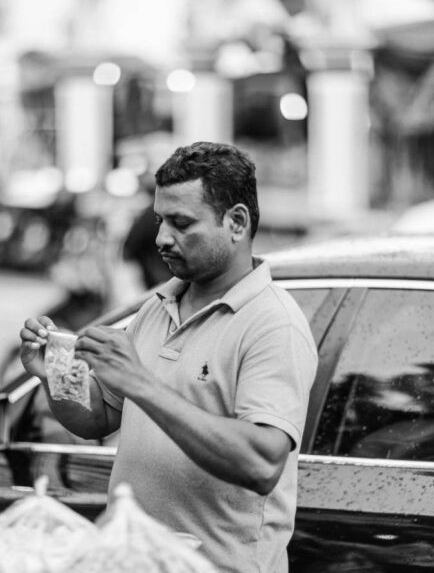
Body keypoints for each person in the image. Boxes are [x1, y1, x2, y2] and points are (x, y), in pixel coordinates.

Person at [19, 141, 318, 572]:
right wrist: (54, 372)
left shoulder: (273, 325)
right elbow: (99, 418)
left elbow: (262, 462)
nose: (161, 238)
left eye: (181, 223)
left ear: (236, 222)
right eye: (160, 220)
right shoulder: (158, 307)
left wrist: (141, 382)